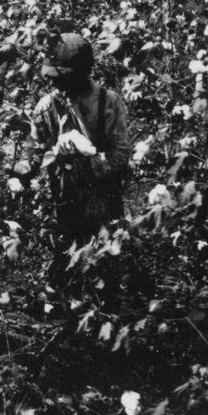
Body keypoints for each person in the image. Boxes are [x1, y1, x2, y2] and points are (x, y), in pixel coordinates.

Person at [25, 33, 131, 267]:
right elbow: (32, 150)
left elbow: (121, 155)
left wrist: (91, 155)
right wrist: (21, 171)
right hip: (63, 206)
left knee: (105, 269)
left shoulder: (109, 103)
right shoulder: (47, 106)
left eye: (62, 78)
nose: (56, 83)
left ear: (82, 73)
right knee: (65, 272)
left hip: (103, 206)